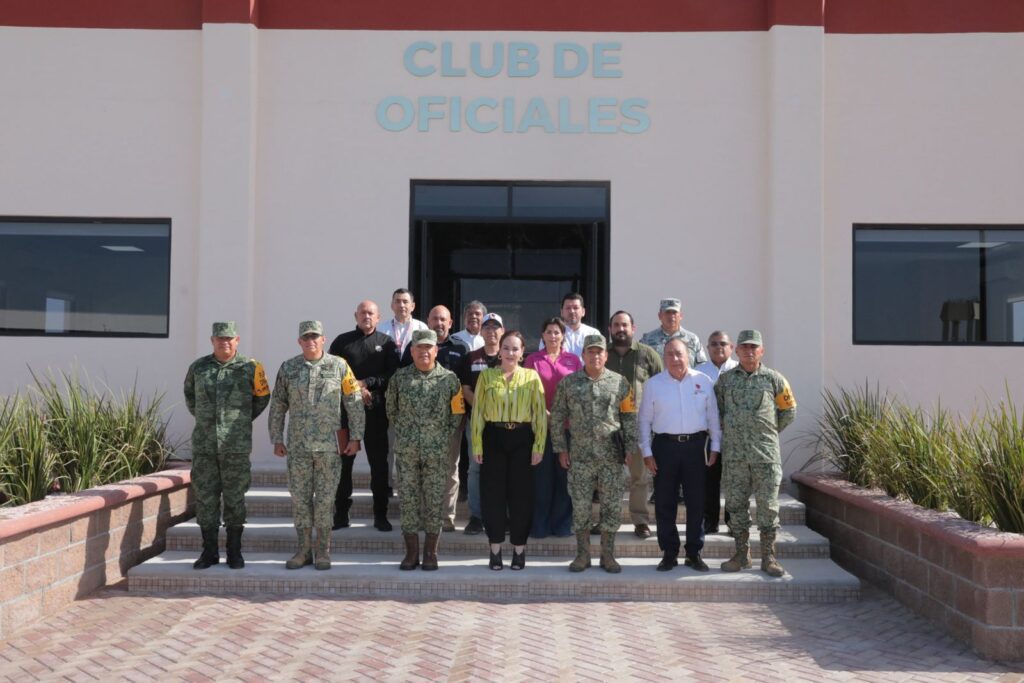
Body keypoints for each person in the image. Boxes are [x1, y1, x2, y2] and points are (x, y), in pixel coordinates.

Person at [269, 321, 365, 570]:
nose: (310, 341)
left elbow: (353, 402)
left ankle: (322, 551)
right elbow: (278, 404)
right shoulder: (289, 368)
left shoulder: (339, 366)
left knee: (324, 500)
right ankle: (303, 550)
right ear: (299, 341)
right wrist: (276, 438)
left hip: (328, 448)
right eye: (306, 337)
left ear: (324, 339)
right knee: (300, 499)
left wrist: (356, 437)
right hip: (298, 447)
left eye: (315, 337)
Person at [184, 321, 271, 570]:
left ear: (237, 340)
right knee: (205, 498)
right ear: (212, 340)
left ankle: (235, 552)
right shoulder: (198, 368)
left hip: (236, 445)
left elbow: (263, 397)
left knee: (235, 498)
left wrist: (241, 420)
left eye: (229, 338)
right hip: (205, 446)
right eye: (220, 338)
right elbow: (190, 396)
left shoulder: (250, 367)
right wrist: (206, 420)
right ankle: (209, 552)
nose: (225, 342)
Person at [551, 334, 638, 573]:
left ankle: (607, 555)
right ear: (583, 355)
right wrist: (561, 448)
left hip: (611, 457)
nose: (595, 355)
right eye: (590, 351)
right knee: (580, 507)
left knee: (611, 507)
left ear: (606, 355)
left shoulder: (620, 383)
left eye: (599, 351)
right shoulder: (569, 383)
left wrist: (630, 449)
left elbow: (629, 418)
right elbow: (557, 416)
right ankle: (582, 555)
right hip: (580, 457)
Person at [715, 329, 796, 578]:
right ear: (736, 351)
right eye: (745, 347)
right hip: (735, 457)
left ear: (761, 351)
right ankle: (741, 555)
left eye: (754, 347)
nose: (749, 351)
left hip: (766, 457)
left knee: (768, 508)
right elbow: (718, 412)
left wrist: (767, 432)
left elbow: (789, 411)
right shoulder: (725, 381)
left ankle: (769, 558)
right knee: (736, 507)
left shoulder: (774, 380)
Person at [638, 338, 721, 572]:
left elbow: (713, 417)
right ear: (664, 358)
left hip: (696, 447)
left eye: (679, 354)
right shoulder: (654, 384)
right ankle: (669, 552)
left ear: (689, 356)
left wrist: (715, 447)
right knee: (665, 502)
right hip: (665, 447)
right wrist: (646, 451)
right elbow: (644, 420)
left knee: (697, 502)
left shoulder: (703, 381)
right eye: (670, 354)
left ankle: (694, 552)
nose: (675, 359)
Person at [386, 329, 465, 571]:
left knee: (433, 502)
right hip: (408, 452)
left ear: (436, 350)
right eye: (419, 347)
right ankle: (411, 554)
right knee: (408, 502)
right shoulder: (399, 379)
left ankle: (431, 553)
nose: (424, 351)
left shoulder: (449, 379)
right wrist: (407, 434)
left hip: (437, 453)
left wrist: (440, 436)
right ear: (412, 351)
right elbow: (391, 411)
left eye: (428, 347)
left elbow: (457, 413)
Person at [470, 330, 547, 570]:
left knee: (520, 496)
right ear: (499, 351)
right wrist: (477, 443)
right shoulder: (486, 376)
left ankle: (519, 550)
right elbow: (478, 412)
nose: (510, 353)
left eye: (515, 348)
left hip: (523, 439)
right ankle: (494, 550)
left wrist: (539, 445)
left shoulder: (532, 377)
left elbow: (539, 414)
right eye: (506, 348)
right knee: (493, 495)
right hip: (494, 437)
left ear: (523, 352)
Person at [328, 300, 398, 532]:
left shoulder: (386, 344)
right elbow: (332, 373)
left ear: (379, 318)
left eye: (371, 313)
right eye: (362, 313)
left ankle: (380, 515)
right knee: (343, 465)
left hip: (376, 413)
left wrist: (368, 383)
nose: (366, 316)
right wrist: (355, 387)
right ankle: (341, 514)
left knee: (378, 466)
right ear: (355, 315)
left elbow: (392, 375)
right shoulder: (341, 342)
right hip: (345, 415)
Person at [399, 305, 470, 532]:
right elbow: (399, 383)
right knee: (419, 469)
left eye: (443, 320)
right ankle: (422, 516)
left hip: (450, 422)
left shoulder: (461, 348)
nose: (439, 323)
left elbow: (464, 385)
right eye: (435, 319)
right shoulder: (413, 347)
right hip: (416, 425)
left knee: (449, 469)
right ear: (427, 321)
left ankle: (446, 517)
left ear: (450, 323)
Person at [604, 310, 663, 539]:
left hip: (638, 426)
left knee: (639, 476)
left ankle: (640, 521)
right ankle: (608, 519)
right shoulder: (602, 354)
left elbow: (660, 385)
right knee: (609, 476)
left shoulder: (647, 355)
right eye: (616, 325)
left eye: (625, 325)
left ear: (633, 328)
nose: (620, 329)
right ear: (610, 329)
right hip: (607, 425)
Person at [523, 317, 582, 538]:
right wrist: (546, 416)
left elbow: (577, 393)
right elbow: (528, 392)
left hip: (568, 428)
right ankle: (540, 526)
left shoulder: (573, 360)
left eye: (557, 332)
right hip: (541, 427)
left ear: (563, 335)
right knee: (541, 479)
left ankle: (562, 525)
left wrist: (563, 418)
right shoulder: (533, 360)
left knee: (564, 477)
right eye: (549, 332)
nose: (553, 336)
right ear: (543, 335)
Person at [460, 312, 504, 535]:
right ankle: (476, 516)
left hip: (504, 424)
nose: (491, 331)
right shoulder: (470, 357)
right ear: (481, 330)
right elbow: (466, 388)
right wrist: (483, 409)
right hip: (476, 421)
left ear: (502, 331)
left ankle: (500, 515)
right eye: (487, 327)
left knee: (501, 469)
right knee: (475, 469)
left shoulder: (509, 356)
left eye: (495, 327)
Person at [695, 330, 738, 534]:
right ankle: (710, 522)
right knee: (708, 481)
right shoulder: (698, 372)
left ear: (731, 347)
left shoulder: (740, 370)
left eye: (723, 343)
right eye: (714, 344)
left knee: (733, 480)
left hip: (734, 437)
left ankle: (733, 522)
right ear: (707, 347)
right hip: (708, 437)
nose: (718, 347)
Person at [640, 298, 708, 366]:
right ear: (660, 315)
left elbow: (702, 366)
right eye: (667, 312)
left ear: (681, 316)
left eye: (674, 312)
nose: (671, 316)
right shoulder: (647, 340)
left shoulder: (693, 339)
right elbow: (640, 366)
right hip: (659, 376)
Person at [538, 293, 600, 359]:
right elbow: (543, 358)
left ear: (583, 311)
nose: (572, 311)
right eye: (568, 308)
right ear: (561, 312)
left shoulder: (593, 333)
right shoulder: (551, 334)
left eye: (576, 308)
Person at [381, 288, 428, 358]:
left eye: (405, 302)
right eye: (397, 301)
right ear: (392, 305)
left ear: (412, 306)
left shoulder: (421, 327)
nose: (401, 305)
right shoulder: (382, 328)